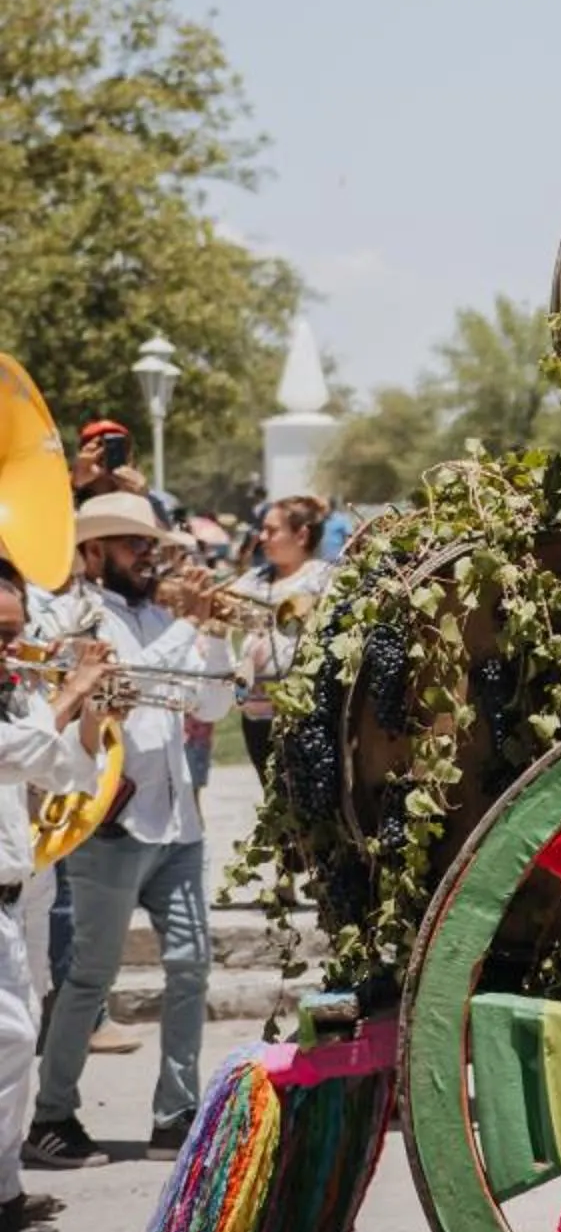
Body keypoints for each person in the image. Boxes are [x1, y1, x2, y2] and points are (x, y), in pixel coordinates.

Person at [24, 494, 233, 1170]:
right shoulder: (75, 616)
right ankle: (52, 1115)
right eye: (131, 544)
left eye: (150, 545)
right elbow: (131, 682)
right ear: (92, 554)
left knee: (191, 966)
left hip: (177, 825)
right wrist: (188, 625)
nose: (149, 555)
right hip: (110, 827)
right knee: (89, 978)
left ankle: (177, 1113)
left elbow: (209, 701)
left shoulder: (156, 612)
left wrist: (218, 632)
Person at [0, 573, 104, 1232]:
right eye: (3, 637)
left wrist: (92, 711)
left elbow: (68, 774)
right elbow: (23, 751)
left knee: (14, 1051)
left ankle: (5, 1197)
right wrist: (69, 690)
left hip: (12, 902)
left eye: (14, 633)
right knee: (8, 1043)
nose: (13, 650)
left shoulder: (16, 704)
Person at [229, 496, 332, 786]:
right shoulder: (253, 579)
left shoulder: (325, 580)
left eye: (272, 530)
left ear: (301, 535)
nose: (263, 538)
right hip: (256, 715)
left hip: (301, 716)